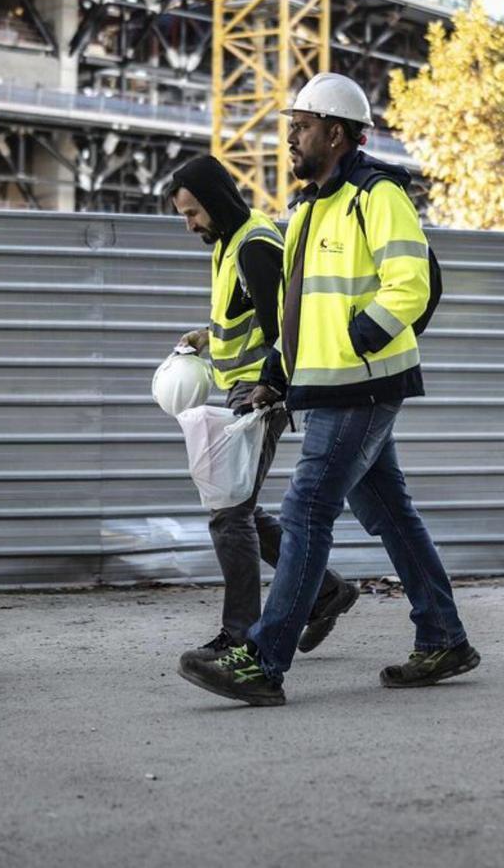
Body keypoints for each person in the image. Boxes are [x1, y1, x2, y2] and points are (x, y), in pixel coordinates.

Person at [178, 74, 479, 706]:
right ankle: (444, 636)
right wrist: (277, 378)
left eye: (302, 127)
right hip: (326, 389)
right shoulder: (308, 207)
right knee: (390, 514)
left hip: (362, 385)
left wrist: (362, 336)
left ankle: (262, 659)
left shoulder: (378, 194)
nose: (291, 138)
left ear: (336, 132)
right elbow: (294, 312)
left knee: (306, 510)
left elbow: (413, 282)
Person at [167, 155, 357, 661]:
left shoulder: (253, 246)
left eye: (192, 213)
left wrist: (269, 391)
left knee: (229, 514)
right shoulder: (230, 243)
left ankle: (241, 635)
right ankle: (326, 592)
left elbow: (284, 331)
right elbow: (247, 315)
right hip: (241, 391)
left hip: (259, 395)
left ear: (215, 201)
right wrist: (207, 337)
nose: (189, 225)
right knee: (238, 509)